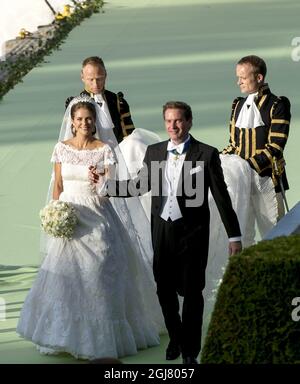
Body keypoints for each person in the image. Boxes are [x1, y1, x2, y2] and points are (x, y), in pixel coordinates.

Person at [91, 101, 242, 364]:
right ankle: (176, 337)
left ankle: (190, 353)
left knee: (193, 294)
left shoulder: (206, 154)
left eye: (179, 121)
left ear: (189, 121)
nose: (173, 126)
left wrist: (234, 236)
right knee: (164, 291)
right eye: (169, 121)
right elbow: (140, 185)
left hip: (193, 234)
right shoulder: (155, 151)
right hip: (162, 232)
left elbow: (221, 197)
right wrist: (106, 186)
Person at [16, 96, 162, 360]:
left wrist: (100, 180)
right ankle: (64, 336)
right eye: (80, 119)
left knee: (99, 274)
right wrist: (55, 212)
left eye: (89, 119)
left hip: (97, 217)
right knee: (65, 276)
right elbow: (58, 185)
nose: (84, 123)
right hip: (69, 217)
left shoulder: (104, 149)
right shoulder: (61, 148)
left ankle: (103, 340)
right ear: (72, 122)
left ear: (95, 122)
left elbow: (109, 190)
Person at [222, 55, 291, 245]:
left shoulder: (277, 104)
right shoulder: (238, 105)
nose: (239, 82)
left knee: (276, 234)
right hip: (241, 183)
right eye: (238, 78)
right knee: (242, 234)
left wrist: (245, 166)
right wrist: (219, 159)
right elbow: (234, 145)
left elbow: (275, 147)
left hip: (267, 179)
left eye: (242, 78)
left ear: (258, 78)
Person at [65, 56, 135, 143]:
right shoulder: (76, 105)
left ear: (105, 75)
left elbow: (128, 135)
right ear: (82, 77)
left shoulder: (118, 102)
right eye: (91, 79)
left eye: (99, 79)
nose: (95, 84)